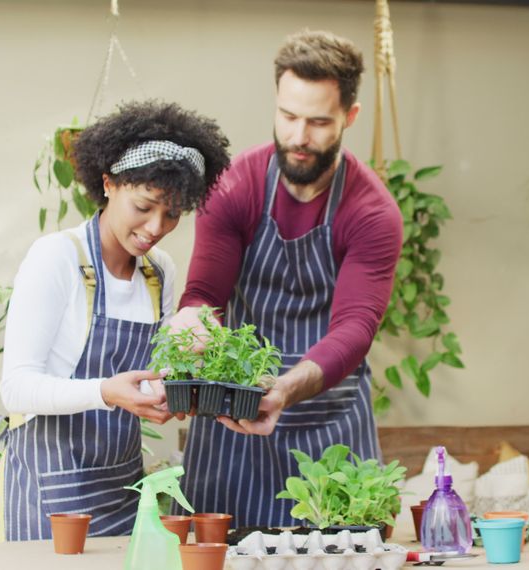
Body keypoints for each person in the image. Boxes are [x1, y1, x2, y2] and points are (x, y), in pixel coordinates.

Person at [169, 30, 403, 526]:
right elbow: (204, 295)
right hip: (232, 419)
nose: (299, 137)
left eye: (319, 122)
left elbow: (355, 329)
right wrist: (190, 324)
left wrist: (283, 389)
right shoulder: (234, 186)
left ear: (349, 117)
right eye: (288, 116)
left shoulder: (372, 211)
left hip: (331, 424)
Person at [0, 100, 231, 540]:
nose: (156, 226)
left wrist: (178, 388)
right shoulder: (57, 257)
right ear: (109, 184)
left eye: (173, 213)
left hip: (122, 492)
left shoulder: (159, 273)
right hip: (49, 497)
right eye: (145, 205)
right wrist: (107, 393)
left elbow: (156, 373)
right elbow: (16, 388)